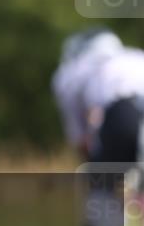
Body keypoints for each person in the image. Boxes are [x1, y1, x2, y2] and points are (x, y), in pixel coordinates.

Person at [52, 27, 144, 163]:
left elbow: (80, 139)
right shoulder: (136, 56)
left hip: (123, 116)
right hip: (130, 113)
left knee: (107, 178)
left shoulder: (73, 70)